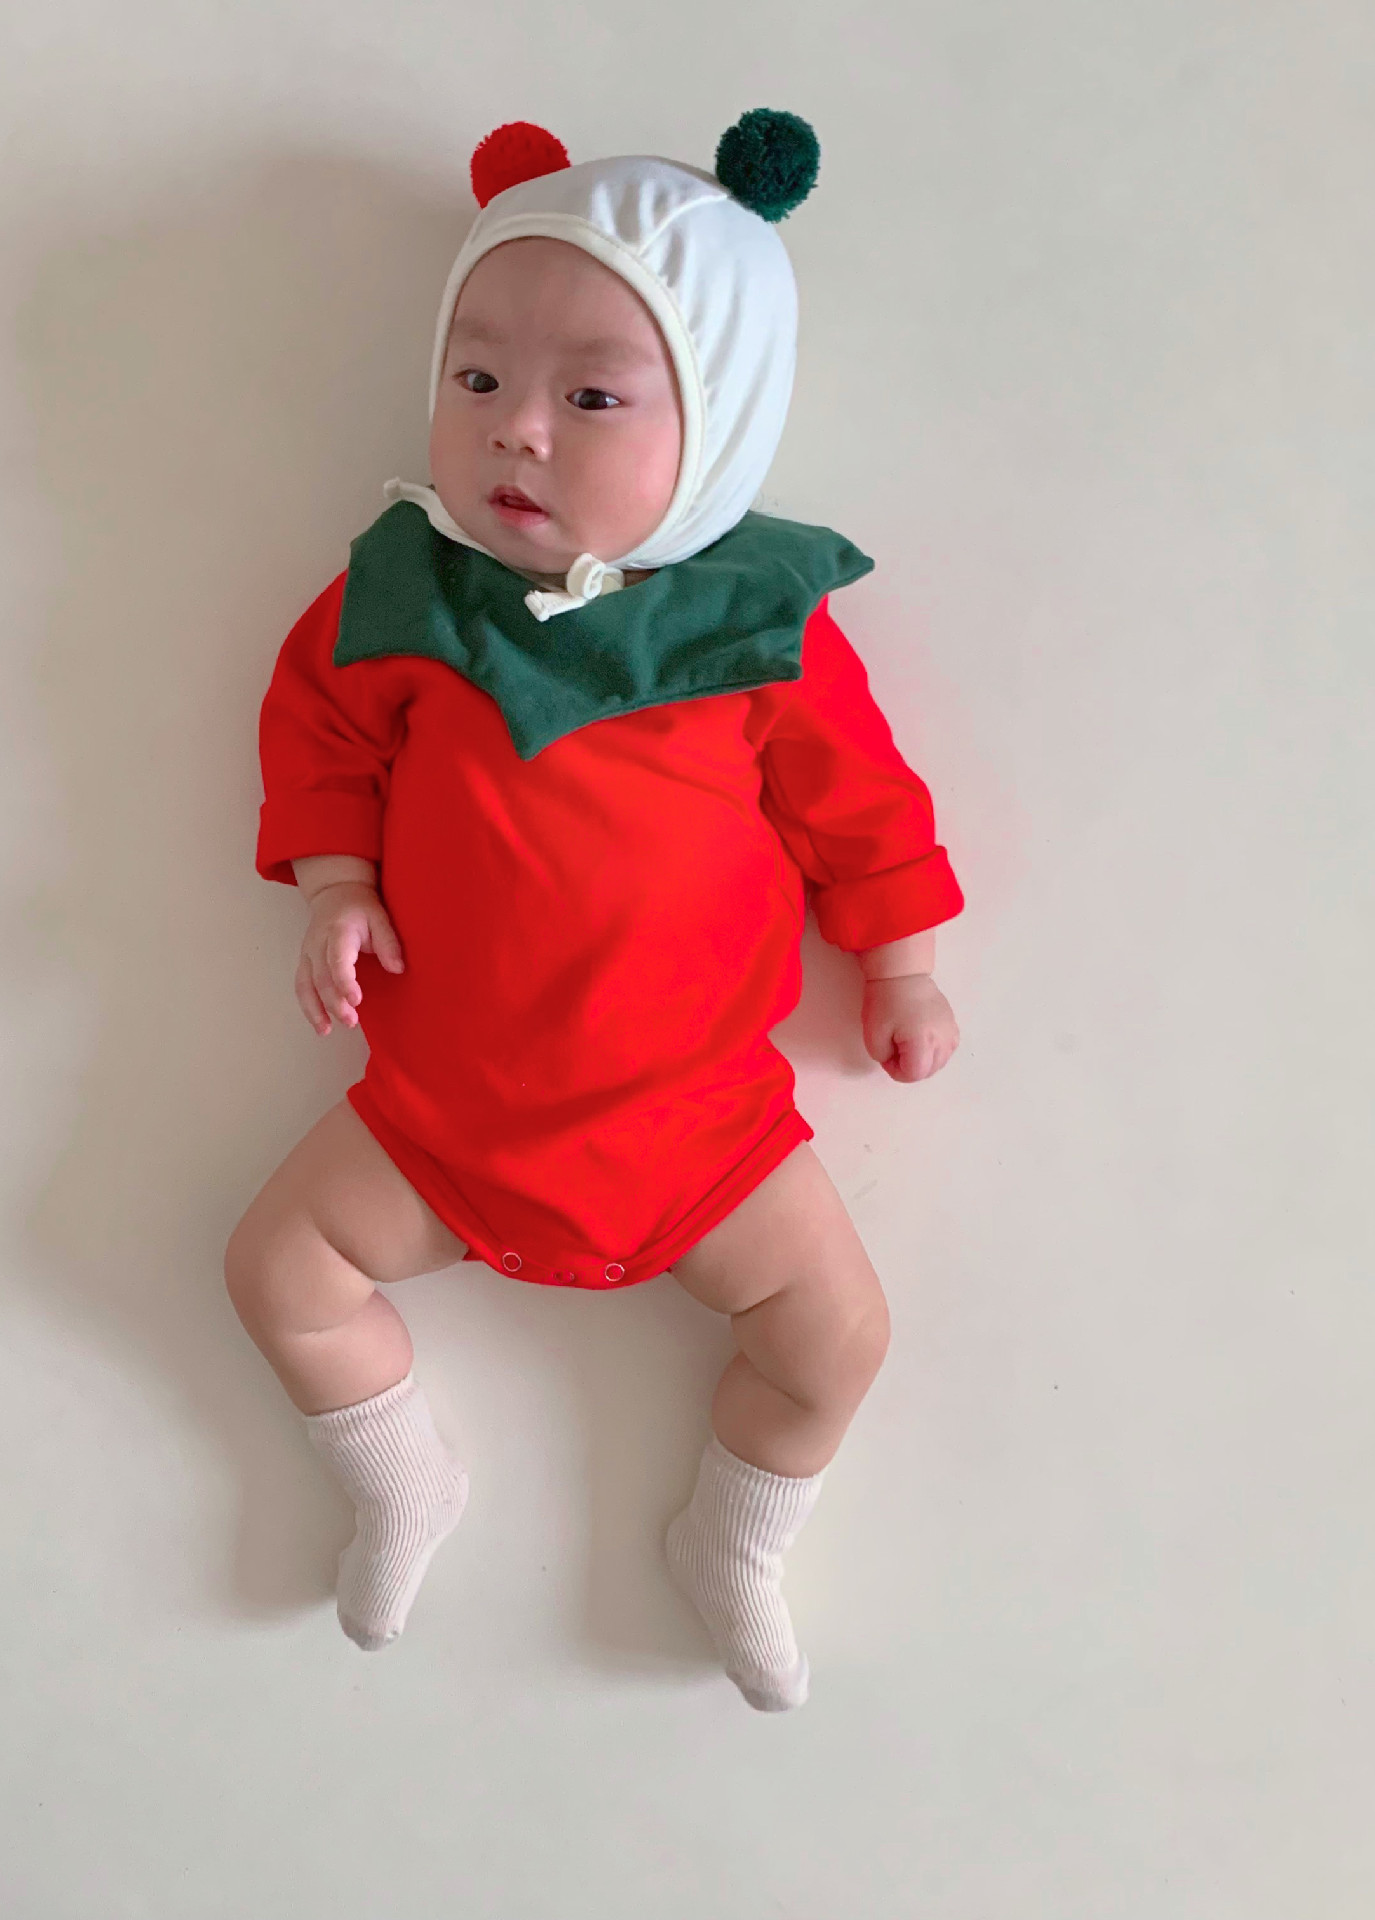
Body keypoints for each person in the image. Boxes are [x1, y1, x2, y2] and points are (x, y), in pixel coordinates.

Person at [225, 114, 964, 1711]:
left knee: (836, 1341)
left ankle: (737, 1541)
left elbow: (862, 805)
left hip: (700, 1131)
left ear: (721, 412)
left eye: (592, 397)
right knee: (279, 1273)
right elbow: (322, 734)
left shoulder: (758, 627)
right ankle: (398, 1480)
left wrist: (899, 963)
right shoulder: (404, 596)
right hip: (446, 1114)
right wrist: (338, 884)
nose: (518, 432)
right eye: (479, 377)